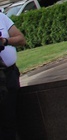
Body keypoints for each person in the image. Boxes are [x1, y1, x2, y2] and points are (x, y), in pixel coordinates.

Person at [0, 10, 26, 140]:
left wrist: (5, 41)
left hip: (9, 76)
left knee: (11, 119)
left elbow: (21, 39)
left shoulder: (1, 17)